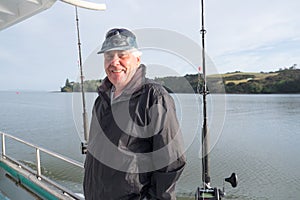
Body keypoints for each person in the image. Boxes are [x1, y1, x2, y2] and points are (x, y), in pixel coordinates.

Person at [83, 28, 186, 200]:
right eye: (109, 56)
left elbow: (171, 163)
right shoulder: (100, 100)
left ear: (137, 59)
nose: (114, 62)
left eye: (122, 55)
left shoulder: (154, 97)